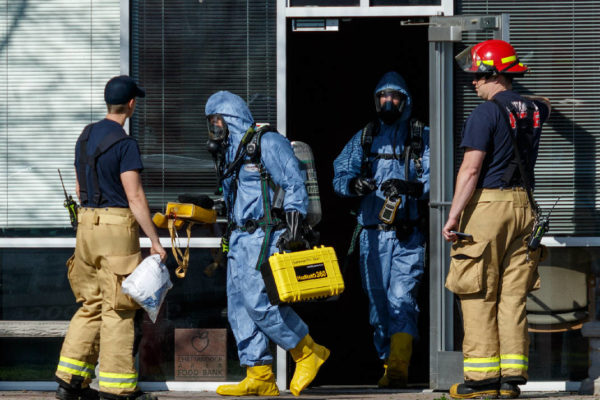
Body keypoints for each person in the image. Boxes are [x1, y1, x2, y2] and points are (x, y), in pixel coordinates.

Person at [442, 40, 551, 399]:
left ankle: (482, 381)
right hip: (526, 209)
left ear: (496, 75)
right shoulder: (533, 110)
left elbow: (470, 170)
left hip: (489, 208)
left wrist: (453, 216)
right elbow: (544, 106)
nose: (473, 82)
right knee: (513, 296)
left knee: (477, 291)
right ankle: (510, 378)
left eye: (479, 75)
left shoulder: (485, 114)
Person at [205, 91, 329, 397]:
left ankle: (307, 351)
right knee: (239, 307)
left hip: (263, 235)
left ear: (230, 116)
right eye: (211, 122)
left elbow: (292, 182)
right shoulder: (232, 149)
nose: (215, 127)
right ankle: (258, 373)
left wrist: (295, 224)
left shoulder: (267, 142)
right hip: (238, 238)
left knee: (260, 303)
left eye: (217, 119)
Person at [55, 75, 166, 400]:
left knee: (90, 304)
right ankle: (117, 391)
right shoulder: (125, 143)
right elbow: (134, 197)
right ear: (131, 104)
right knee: (118, 308)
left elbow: (79, 188)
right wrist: (155, 242)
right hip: (116, 228)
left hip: (86, 225)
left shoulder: (85, 136)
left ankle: (69, 381)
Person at [333, 71, 430, 388]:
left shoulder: (422, 137)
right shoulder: (365, 136)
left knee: (402, 297)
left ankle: (399, 366)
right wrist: (353, 183)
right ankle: (387, 363)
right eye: (382, 97)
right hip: (372, 236)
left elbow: (443, 176)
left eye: (395, 96)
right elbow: (340, 174)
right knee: (377, 304)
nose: (388, 102)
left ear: (406, 100)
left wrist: (414, 187)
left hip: (407, 234)